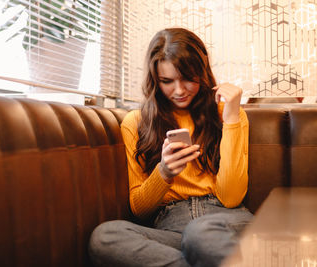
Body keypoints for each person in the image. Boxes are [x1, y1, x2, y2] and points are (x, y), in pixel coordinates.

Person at [89, 27, 253, 267]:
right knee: (105, 237)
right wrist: (163, 172)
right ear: (155, 80)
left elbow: (231, 197)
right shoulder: (136, 122)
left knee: (201, 233)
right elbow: (140, 210)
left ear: (202, 72)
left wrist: (230, 118)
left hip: (226, 224)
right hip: (172, 230)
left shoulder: (227, 115)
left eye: (188, 78)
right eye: (167, 81)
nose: (178, 91)